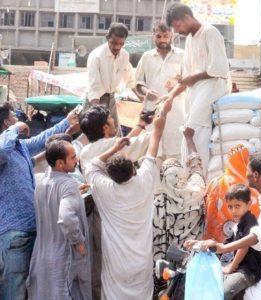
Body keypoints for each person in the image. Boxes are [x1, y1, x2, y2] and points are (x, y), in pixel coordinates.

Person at [84, 104, 170, 300]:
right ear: (134, 169)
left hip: (115, 262)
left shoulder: (104, 188)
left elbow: (92, 166)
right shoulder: (144, 182)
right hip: (141, 261)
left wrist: (115, 148)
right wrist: (159, 125)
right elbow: (152, 148)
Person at [188, 153, 261, 300]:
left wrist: (223, 248)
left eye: (247, 171)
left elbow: (258, 237)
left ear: (255, 175)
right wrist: (203, 244)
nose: (245, 174)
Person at [0, 109, 77, 300]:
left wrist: (67, 122)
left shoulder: (20, 147)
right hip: (14, 233)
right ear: (6, 124)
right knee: (14, 291)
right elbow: (2, 151)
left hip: (31, 230)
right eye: (13, 118)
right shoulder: (5, 147)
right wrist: (15, 129)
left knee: (29, 288)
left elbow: (43, 138)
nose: (18, 120)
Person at [164, 3, 230, 172]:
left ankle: (200, 178)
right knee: (187, 132)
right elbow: (186, 78)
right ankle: (190, 178)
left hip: (213, 87)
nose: (177, 31)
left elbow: (219, 69)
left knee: (195, 130)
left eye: (178, 26)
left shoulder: (210, 32)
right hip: (195, 93)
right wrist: (170, 96)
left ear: (187, 17)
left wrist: (191, 77)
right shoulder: (189, 41)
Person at [27, 140, 91, 300]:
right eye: (73, 157)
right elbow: (66, 217)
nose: (76, 160)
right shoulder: (68, 185)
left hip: (43, 255)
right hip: (65, 257)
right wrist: (78, 242)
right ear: (60, 163)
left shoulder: (41, 182)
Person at [153, 126, 206, 265]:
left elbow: (155, 234)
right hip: (197, 254)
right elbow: (196, 163)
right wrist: (189, 139)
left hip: (172, 258)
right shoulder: (197, 189)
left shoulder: (160, 203)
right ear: (182, 173)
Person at [135, 21, 185, 160]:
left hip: (175, 112)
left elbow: (187, 82)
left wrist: (175, 85)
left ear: (172, 36)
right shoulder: (147, 56)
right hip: (152, 111)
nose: (162, 40)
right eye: (159, 36)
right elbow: (138, 83)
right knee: (151, 154)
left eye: (166, 36)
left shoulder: (182, 55)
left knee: (175, 155)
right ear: (153, 37)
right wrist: (146, 91)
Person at [204, 144, 261, 243]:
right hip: (246, 243)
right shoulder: (254, 191)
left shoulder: (216, 182)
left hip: (217, 242)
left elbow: (206, 205)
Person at [86, 23, 136, 132]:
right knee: (95, 133)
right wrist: (97, 111)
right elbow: (93, 87)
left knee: (114, 133)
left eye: (121, 44)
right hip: (95, 100)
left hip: (111, 98)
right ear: (107, 38)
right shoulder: (96, 56)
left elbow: (130, 79)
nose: (117, 47)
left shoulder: (125, 55)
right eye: (114, 43)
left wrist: (144, 100)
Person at [221, 184, 261, 300]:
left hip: (248, 271)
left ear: (249, 204)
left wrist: (231, 267)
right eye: (230, 207)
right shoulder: (238, 222)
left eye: (237, 206)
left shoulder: (250, 221)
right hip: (239, 267)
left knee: (221, 294)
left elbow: (243, 248)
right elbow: (226, 245)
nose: (233, 210)